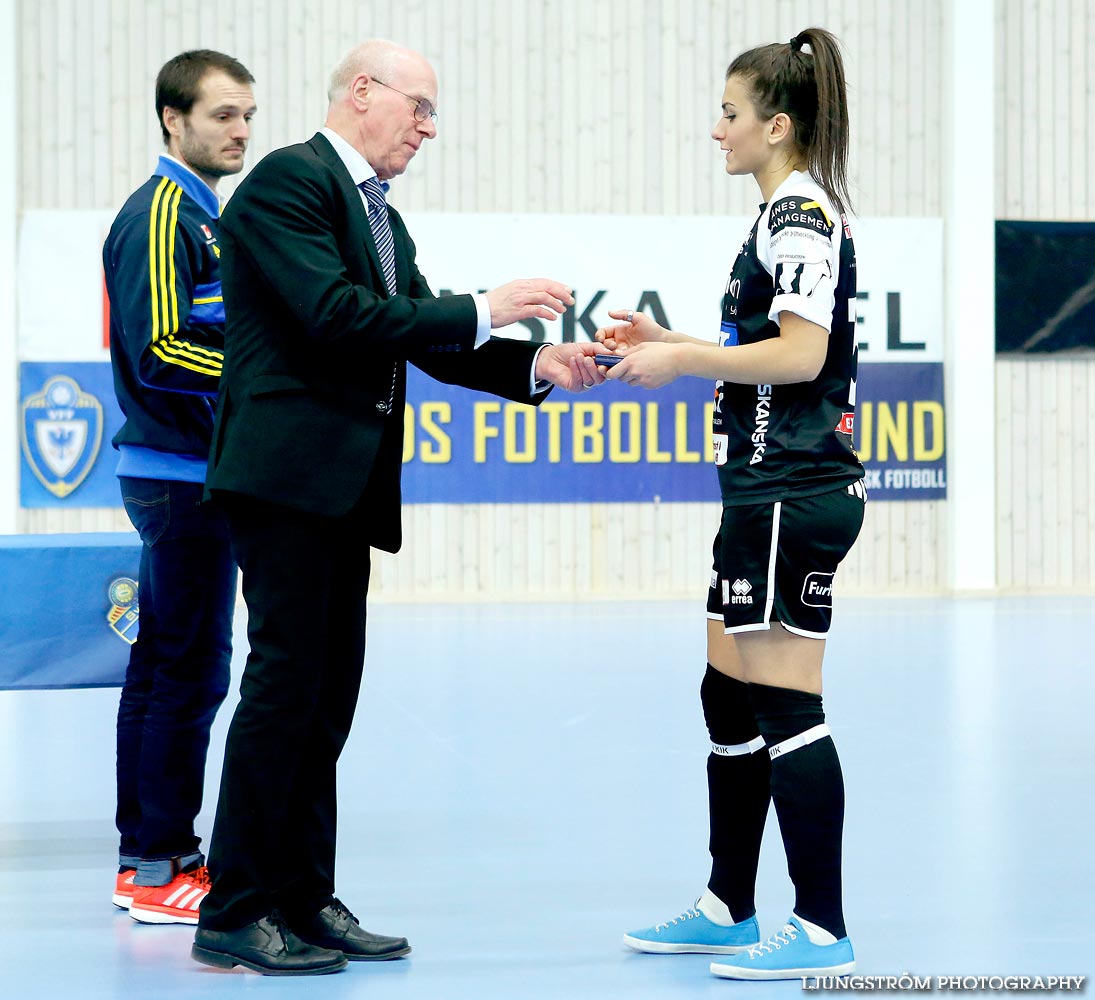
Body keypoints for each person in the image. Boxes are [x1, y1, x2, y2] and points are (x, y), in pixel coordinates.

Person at [190, 39, 605, 976]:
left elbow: (422, 331)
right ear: (362, 94)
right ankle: (234, 907)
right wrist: (485, 304)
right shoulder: (285, 186)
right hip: (285, 481)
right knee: (285, 690)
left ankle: (301, 895)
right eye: (417, 107)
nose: (427, 128)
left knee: (326, 700)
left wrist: (537, 363)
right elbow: (338, 318)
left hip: (342, 487)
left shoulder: (380, 217)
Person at [598, 28, 865, 981]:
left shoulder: (797, 216)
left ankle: (823, 928)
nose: (717, 131)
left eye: (729, 113)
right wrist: (663, 335)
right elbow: (775, 343)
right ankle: (727, 904)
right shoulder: (778, 214)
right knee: (725, 691)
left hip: (792, 491)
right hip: (757, 491)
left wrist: (680, 360)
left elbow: (798, 355)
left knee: (788, 705)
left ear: (776, 125)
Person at [103, 50, 256, 925]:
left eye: (247, 115)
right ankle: (159, 868)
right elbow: (161, 351)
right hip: (179, 478)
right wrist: (266, 386)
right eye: (222, 115)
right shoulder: (164, 213)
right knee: (189, 673)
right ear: (174, 119)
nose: (239, 131)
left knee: (166, 669)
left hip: (195, 474)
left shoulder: (206, 216)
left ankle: (152, 856)